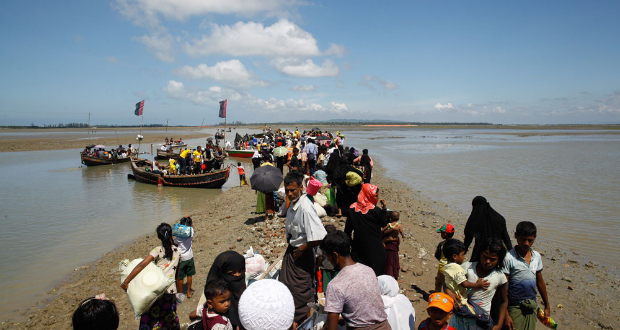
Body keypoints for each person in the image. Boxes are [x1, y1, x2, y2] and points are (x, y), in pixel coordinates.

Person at [280, 172, 327, 323]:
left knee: (301, 290)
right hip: (292, 251)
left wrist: (302, 248)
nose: (289, 193)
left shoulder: (306, 208)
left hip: (302, 253)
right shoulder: (293, 203)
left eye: (293, 190)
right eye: (287, 190)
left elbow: (320, 236)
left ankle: (302, 320)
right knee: (286, 285)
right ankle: (289, 316)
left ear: (301, 187)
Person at [322, 230, 390, 330]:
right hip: (385, 327)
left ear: (335, 255)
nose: (328, 260)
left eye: (328, 257)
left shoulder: (335, 285)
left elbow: (331, 328)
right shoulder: (368, 270)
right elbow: (364, 307)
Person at [121, 223, 181, 330]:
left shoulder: (157, 250)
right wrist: (178, 292)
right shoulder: (178, 251)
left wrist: (126, 281)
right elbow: (178, 274)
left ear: (158, 236)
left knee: (151, 318)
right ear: (172, 234)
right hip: (170, 292)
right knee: (169, 318)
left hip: (157, 290)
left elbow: (142, 264)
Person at [449, 238, 508, 330]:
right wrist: (449, 292)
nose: (488, 261)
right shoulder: (466, 268)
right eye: (485, 257)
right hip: (459, 317)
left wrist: (499, 324)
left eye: (492, 259)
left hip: (480, 321)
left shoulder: (499, 277)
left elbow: (504, 302)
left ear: (499, 260)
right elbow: (447, 282)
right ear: (480, 253)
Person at [501, 222, 550, 330]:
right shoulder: (509, 258)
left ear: (535, 238)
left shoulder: (536, 256)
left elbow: (540, 281)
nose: (526, 243)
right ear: (516, 236)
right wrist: (506, 315)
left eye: (530, 240)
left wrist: (547, 305)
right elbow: (503, 286)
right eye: (523, 239)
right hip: (514, 306)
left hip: (531, 305)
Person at [442, 239, 493, 330]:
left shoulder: (447, 267)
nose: (464, 257)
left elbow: (445, 283)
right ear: (454, 256)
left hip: (454, 300)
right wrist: (478, 284)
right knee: (480, 316)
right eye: (462, 254)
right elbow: (465, 284)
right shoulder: (456, 268)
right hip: (461, 301)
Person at [344, 183, 390, 276]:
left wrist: (351, 245)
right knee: (376, 274)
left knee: (359, 274)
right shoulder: (375, 211)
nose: (377, 197)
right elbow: (384, 222)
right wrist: (384, 208)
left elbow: (347, 230)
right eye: (376, 196)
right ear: (369, 195)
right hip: (375, 248)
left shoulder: (352, 209)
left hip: (358, 247)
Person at [205, 251, 246, 329]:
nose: (237, 275)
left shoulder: (246, 292)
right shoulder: (215, 297)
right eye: (232, 273)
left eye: (240, 271)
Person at [464, 196, 512, 262]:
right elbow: (506, 237)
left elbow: (468, 238)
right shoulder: (500, 218)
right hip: (497, 251)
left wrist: (463, 251)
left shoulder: (475, 219)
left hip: (480, 252)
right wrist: (512, 252)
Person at [176, 216, 196, 299]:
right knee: (189, 275)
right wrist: (188, 219)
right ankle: (188, 292)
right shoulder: (191, 232)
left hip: (181, 258)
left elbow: (175, 243)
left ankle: (180, 294)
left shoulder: (178, 236)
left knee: (180, 277)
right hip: (189, 256)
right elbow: (191, 226)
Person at [382, 210, 405, 279]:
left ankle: (387, 272)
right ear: (398, 219)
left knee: (388, 259)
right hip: (394, 242)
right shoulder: (399, 225)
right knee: (394, 259)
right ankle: (394, 275)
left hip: (388, 242)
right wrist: (403, 236)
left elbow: (383, 230)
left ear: (390, 219)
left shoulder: (389, 225)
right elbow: (402, 232)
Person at [434, 223, 455, 293]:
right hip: (452, 269)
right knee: (448, 285)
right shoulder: (455, 244)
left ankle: (437, 296)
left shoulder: (441, 244)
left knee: (438, 282)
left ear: (445, 234)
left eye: (441, 233)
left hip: (442, 268)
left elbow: (437, 255)